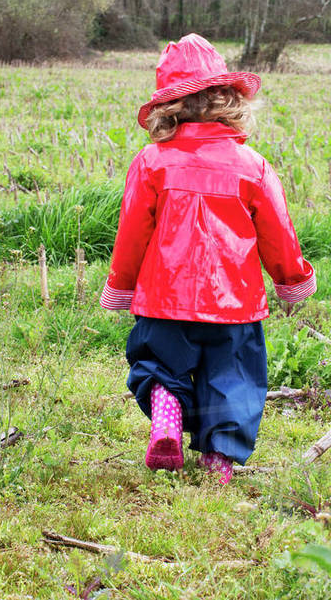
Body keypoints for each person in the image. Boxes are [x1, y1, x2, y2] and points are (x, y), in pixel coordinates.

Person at [100, 33, 316, 485]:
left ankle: (167, 416)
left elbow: (132, 231)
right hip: (234, 304)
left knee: (159, 366)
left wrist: (121, 285)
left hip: (164, 298)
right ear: (226, 99)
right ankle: (219, 459)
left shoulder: (152, 162)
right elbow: (278, 230)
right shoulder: (251, 165)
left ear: (168, 107)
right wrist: (291, 279)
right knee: (233, 381)